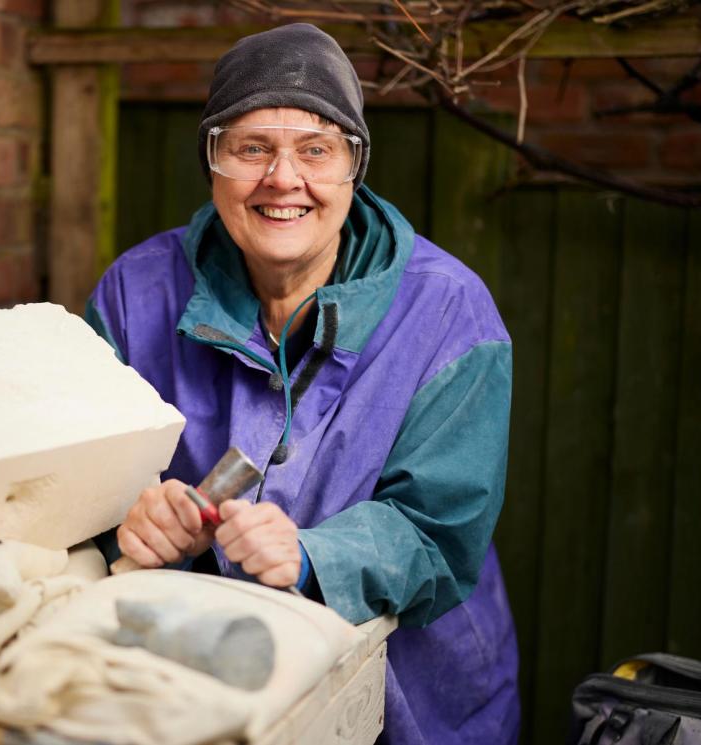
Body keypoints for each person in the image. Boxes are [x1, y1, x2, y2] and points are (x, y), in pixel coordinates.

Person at [86, 23, 519, 745]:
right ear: (213, 163)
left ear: (355, 167)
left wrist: (318, 554)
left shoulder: (451, 311)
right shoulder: (135, 294)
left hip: (413, 698)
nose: (283, 179)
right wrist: (126, 520)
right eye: (252, 148)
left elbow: (439, 529)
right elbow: (78, 484)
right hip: (189, 688)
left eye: (315, 150)